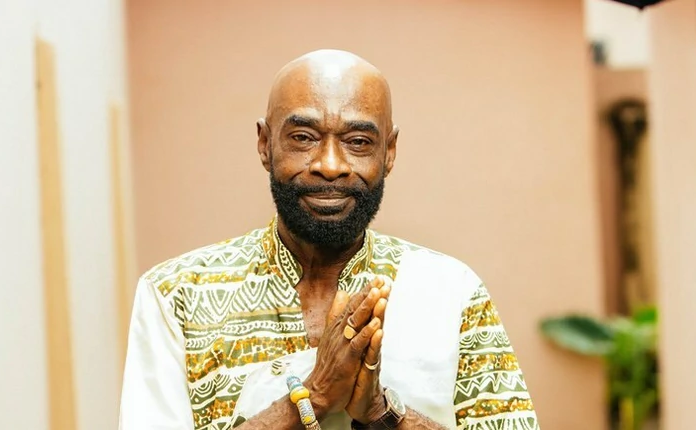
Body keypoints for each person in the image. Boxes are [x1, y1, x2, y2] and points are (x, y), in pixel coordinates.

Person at [119, 49, 539, 430]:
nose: (330, 165)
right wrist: (314, 396)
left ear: (389, 152)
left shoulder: (451, 291)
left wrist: (383, 412)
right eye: (304, 137)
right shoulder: (178, 295)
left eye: (358, 142)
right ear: (265, 144)